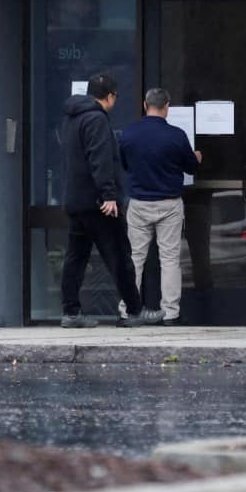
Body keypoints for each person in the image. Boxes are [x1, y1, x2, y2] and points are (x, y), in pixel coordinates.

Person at [58, 73, 163, 329]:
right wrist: (108, 194)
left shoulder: (72, 119)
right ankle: (135, 311)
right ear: (110, 96)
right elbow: (100, 158)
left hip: (76, 200)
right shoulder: (96, 119)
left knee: (75, 258)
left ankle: (71, 312)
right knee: (119, 256)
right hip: (99, 203)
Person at [118, 87, 201, 326]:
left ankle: (128, 311)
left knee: (134, 259)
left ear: (145, 105)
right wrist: (196, 158)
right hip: (169, 203)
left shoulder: (129, 133)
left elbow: (124, 164)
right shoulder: (176, 135)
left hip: (139, 203)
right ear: (167, 106)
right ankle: (171, 313)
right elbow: (190, 168)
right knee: (170, 259)